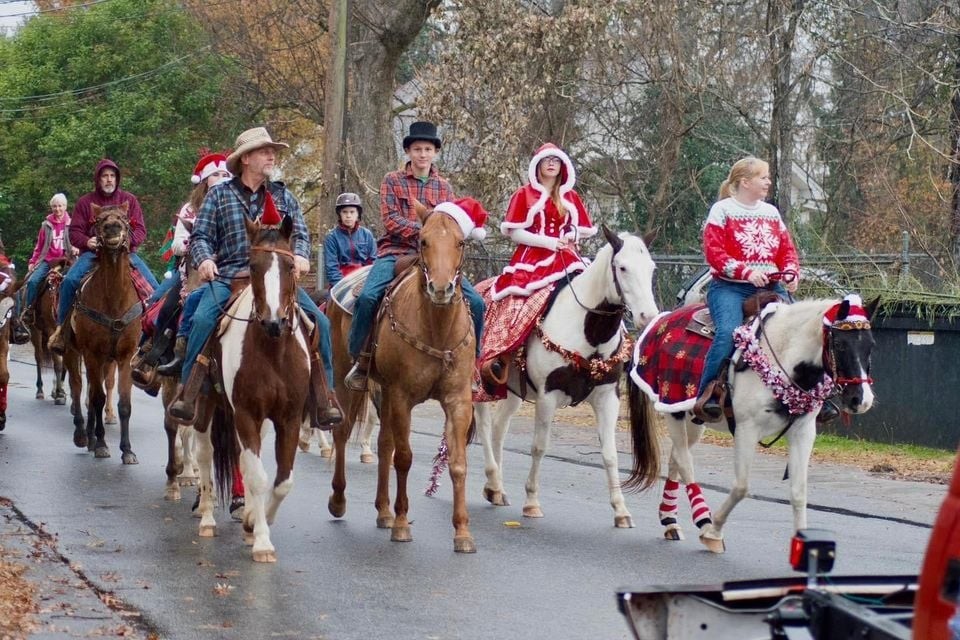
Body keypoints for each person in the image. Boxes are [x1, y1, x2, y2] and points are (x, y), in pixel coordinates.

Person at [166, 126, 341, 428]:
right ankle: (189, 391)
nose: (272, 155)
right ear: (246, 159)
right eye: (264, 151)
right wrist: (205, 259)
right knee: (203, 319)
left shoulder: (283, 196)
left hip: (277, 280)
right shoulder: (219, 195)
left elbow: (299, 232)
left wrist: (300, 255)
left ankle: (324, 397)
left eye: (272, 150)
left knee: (321, 324)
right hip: (231, 277)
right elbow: (202, 237)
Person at [344, 121, 486, 392]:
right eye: (417, 149)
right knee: (367, 297)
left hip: (436, 258)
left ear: (434, 153)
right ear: (408, 152)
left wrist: (436, 239)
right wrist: (427, 232)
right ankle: (360, 359)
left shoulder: (444, 187)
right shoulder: (392, 180)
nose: (422, 154)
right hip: (396, 252)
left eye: (428, 149)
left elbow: (452, 225)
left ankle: (473, 366)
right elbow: (391, 220)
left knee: (477, 303)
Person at [477, 143, 596, 394]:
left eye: (556, 160)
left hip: (567, 256)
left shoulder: (571, 197)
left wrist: (571, 235)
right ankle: (501, 354)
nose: (551, 164)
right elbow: (516, 232)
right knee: (517, 302)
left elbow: (581, 228)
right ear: (538, 165)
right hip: (532, 259)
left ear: (562, 165)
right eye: (546, 160)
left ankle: (605, 354)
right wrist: (550, 242)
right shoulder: (524, 194)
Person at [692, 156, 799, 423]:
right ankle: (709, 395)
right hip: (730, 288)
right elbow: (714, 253)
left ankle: (805, 395)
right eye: (763, 177)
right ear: (745, 181)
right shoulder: (722, 210)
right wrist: (747, 272)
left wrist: (791, 272)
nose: (768, 182)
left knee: (800, 332)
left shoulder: (771, 212)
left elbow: (786, 249)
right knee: (728, 332)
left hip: (771, 287)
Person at [133, 153, 232, 384]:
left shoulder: (233, 204)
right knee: (162, 305)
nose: (221, 178)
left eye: (225, 174)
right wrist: (194, 244)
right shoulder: (190, 209)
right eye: (215, 174)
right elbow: (177, 244)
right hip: (191, 271)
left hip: (227, 270)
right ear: (205, 180)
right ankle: (150, 359)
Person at [48, 159, 160, 354]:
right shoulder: (85, 202)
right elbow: (74, 232)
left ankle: (154, 337)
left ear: (117, 179)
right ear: (98, 179)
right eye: (105, 176)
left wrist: (127, 243)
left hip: (126, 254)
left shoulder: (129, 200)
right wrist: (87, 242)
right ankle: (61, 331)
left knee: (155, 289)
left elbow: (141, 230)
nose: (109, 180)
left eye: (112, 176)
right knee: (70, 281)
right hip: (94, 255)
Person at [14, 193, 79, 344]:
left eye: (60, 206)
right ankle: (29, 310)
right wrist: (32, 261)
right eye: (55, 206)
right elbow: (39, 246)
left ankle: (78, 311)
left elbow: (78, 239)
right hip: (48, 259)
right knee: (32, 281)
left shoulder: (72, 223)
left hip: (68, 259)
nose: (58, 209)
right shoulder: (46, 225)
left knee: (79, 280)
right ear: (51, 207)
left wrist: (76, 248)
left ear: (65, 206)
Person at [323, 192, 376, 289]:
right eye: (345, 212)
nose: (348, 216)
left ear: (358, 214)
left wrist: (368, 283)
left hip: (364, 281)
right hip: (341, 283)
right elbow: (331, 269)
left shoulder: (367, 235)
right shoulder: (332, 238)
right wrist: (344, 287)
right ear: (339, 214)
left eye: (352, 212)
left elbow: (373, 261)